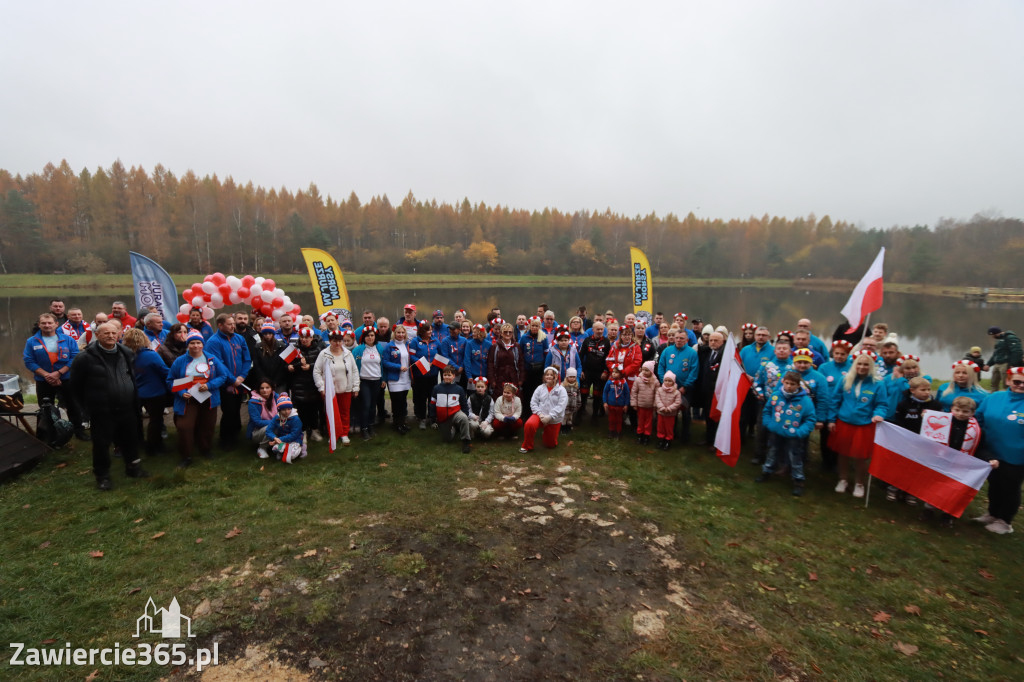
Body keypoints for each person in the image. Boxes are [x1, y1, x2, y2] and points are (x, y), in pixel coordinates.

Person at [69, 322, 149, 490]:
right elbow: (75, 387)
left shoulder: (126, 352)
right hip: (102, 411)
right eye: (106, 333)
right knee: (101, 445)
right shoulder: (84, 358)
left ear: (119, 334)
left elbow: (131, 376)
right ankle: (102, 476)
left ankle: (133, 468)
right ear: (97, 335)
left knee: (130, 440)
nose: (111, 336)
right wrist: (85, 409)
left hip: (127, 407)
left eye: (114, 333)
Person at [826, 350, 888, 498]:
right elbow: (835, 400)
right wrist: (831, 419)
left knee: (861, 457)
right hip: (844, 422)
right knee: (843, 454)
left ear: (871, 366)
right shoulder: (845, 379)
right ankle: (843, 479)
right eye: (859, 363)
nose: (862, 367)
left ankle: (859, 483)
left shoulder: (878, 383)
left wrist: (878, 414)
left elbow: (882, 404)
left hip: (864, 425)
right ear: (854, 365)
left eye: (866, 364)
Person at [973, 366, 1024, 534]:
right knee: (994, 484)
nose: (1021, 385)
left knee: (1010, 487)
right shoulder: (994, 397)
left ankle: (1005, 521)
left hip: (1016, 456)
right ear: (1008, 380)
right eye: (1017, 381)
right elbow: (977, 418)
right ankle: (993, 513)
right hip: (991, 452)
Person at [167, 330, 227, 467]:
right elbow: (170, 380)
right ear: (188, 345)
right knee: (184, 426)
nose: (195, 346)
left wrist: (210, 385)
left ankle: (205, 449)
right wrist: (181, 392)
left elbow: (222, 376)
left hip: (207, 397)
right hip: (187, 399)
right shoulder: (180, 361)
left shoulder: (211, 359)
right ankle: (186, 456)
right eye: (192, 343)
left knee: (207, 425)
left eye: (198, 343)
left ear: (202, 344)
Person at [24, 312, 88, 440]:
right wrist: (48, 375)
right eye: (44, 323)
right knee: (45, 408)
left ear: (56, 324)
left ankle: (79, 431)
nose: (47, 325)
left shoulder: (68, 339)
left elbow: (74, 357)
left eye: (50, 323)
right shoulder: (31, 341)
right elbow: (29, 361)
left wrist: (59, 373)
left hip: (66, 378)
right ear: (39, 325)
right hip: (43, 380)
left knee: (73, 405)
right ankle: (48, 434)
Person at [756, 371, 816, 496]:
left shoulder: (805, 400)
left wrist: (800, 432)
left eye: (792, 384)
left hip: (793, 435)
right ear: (783, 382)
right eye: (787, 383)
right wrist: (769, 424)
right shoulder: (776, 395)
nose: (789, 386)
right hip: (776, 431)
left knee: (795, 456)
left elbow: (810, 419)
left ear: (798, 385)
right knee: (772, 451)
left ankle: (798, 480)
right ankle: (767, 471)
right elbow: (767, 411)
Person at [883, 376, 940, 505]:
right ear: (912, 390)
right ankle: (893, 489)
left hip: (925, 444)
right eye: (923, 389)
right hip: (906, 442)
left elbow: (940, 425)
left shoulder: (935, 405)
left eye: (929, 389)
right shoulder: (904, 404)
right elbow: (899, 422)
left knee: (917, 469)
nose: (927, 392)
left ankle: (912, 493)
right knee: (901, 467)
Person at [205, 313, 252, 450]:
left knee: (237, 407)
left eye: (233, 323)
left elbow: (247, 359)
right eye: (230, 324)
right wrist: (232, 380)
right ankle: (225, 439)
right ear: (220, 325)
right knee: (229, 410)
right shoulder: (213, 342)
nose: (233, 326)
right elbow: (218, 364)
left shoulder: (239, 338)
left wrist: (242, 376)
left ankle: (236, 433)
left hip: (240, 381)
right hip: (226, 383)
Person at [122, 328, 170, 456]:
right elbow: (165, 371)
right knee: (156, 420)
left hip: (135, 392)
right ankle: (154, 447)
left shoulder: (125, 356)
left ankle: (138, 443)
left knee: (136, 420)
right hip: (154, 392)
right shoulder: (150, 355)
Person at [313, 330, 360, 446]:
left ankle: (344, 434)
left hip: (346, 388)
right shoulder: (323, 354)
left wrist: (356, 387)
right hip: (330, 390)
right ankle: (334, 434)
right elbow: (317, 371)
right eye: (335, 341)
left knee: (344, 412)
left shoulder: (348, 354)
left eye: (340, 341)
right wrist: (321, 387)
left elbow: (354, 371)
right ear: (330, 341)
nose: (338, 344)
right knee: (332, 413)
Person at [287, 327, 325, 444]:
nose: (304, 340)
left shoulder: (319, 348)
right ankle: (302, 431)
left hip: (313, 384)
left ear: (311, 338)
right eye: (302, 337)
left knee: (313, 409)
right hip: (299, 385)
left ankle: (314, 430)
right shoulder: (293, 349)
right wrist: (295, 366)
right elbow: (287, 365)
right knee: (301, 410)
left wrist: (310, 366)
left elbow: (323, 364)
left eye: (307, 337)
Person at [519, 366, 568, 453]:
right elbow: (533, 402)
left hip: (554, 418)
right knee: (529, 424)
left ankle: (547, 433)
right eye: (547, 375)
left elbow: (561, 406)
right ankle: (527, 445)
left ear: (555, 377)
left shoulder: (561, 390)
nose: (548, 376)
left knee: (550, 445)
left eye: (551, 375)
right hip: (540, 415)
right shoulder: (540, 388)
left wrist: (549, 417)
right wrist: (540, 414)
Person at [429, 365, 472, 453]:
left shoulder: (459, 389)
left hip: (455, 412)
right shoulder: (436, 388)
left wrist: (466, 414)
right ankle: (454, 428)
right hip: (443, 416)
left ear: (453, 376)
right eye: (445, 375)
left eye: (449, 375)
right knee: (447, 440)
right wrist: (433, 419)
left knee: (463, 418)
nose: (447, 377)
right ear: (442, 376)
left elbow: (464, 404)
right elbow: (432, 404)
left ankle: (466, 442)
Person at [352, 327, 384, 441]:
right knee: (365, 404)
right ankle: (364, 428)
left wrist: (383, 379)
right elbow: (353, 367)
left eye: (372, 335)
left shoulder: (379, 348)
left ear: (375, 337)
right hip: (364, 381)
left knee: (372, 405)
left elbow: (382, 365)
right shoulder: (358, 350)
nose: (370, 338)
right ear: (363, 337)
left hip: (376, 380)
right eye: (367, 336)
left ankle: (371, 425)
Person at [383, 324, 413, 434]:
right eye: (398, 333)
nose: (400, 335)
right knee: (397, 402)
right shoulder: (389, 346)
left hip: (406, 378)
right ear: (394, 334)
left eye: (402, 333)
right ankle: (397, 424)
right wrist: (399, 367)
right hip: (395, 379)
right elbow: (385, 362)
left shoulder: (407, 345)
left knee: (403, 402)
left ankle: (402, 422)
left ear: (405, 334)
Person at [409, 322, 440, 429]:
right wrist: (423, 363)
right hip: (420, 375)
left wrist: (434, 362)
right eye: (428, 330)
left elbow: (440, 354)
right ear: (422, 331)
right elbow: (411, 357)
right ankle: (422, 418)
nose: (431, 332)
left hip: (433, 375)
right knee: (421, 398)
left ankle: (432, 419)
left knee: (432, 398)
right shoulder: (415, 341)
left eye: (431, 330)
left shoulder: (435, 341)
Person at [697, 331, 725, 445]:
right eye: (711, 340)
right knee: (708, 416)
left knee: (716, 418)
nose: (713, 343)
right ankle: (709, 439)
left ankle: (716, 442)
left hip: (718, 393)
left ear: (722, 342)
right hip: (707, 391)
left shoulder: (724, 355)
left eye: (716, 340)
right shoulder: (708, 352)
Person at [579, 321, 611, 421]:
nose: (600, 331)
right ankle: (580, 414)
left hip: (600, 373)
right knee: (583, 393)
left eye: (601, 329)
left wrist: (606, 371)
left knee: (597, 395)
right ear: (593, 330)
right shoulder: (587, 340)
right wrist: (581, 370)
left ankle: (595, 416)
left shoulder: (606, 342)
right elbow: (581, 356)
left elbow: (609, 358)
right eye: (598, 329)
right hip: (587, 371)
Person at [519, 316, 550, 417]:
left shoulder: (543, 337)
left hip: (539, 369)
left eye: (537, 326)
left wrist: (545, 370)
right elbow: (520, 353)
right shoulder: (524, 338)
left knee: (538, 391)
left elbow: (546, 353)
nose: (535, 328)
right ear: (529, 326)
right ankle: (526, 412)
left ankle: (537, 412)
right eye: (533, 325)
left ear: (540, 327)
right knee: (527, 391)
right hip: (527, 369)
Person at [487, 323, 526, 400]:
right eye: (505, 332)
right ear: (501, 333)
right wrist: (492, 380)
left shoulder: (516, 346)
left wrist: (521, 379)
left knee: (514, 399)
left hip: (513, 377)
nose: (507, 334)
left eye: (510, 332)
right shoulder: (495, 346)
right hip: (499, 378)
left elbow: (521, 363)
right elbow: (490, 364)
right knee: (499, 399)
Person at [266, 394, 304, 463]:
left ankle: (301, 448)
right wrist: (274, 438)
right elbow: (268, 430)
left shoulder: (295, 419)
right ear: (279, 410)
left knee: (291, 455)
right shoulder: (277, 417)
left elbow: (294, 435)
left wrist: (279, 439)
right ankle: (282, 451)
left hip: (295, 440)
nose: (287, 412)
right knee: (275, 449)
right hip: (281, 440)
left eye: (289, 409)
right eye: (283, 409)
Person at [983, 327, 1023, 392]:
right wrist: (988, 364)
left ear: (996, 333)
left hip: (1005, 364)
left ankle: (1008, 397)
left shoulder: (1010, 338)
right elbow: (995, 354)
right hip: (997, 364)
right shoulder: (999, 340)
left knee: (1006, 384)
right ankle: (993, 397)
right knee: (993, 383)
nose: (992, 337)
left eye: (992, 335)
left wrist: (1014, 364)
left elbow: (1017, 351)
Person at [247, 379, 279, 459]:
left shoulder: (276, 397)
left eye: (267, 387)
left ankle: (280, 446)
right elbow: (257, 422)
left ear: (272, 388)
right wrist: (276, 422)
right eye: (262, 388)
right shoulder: (253, 402)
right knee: (272, 428)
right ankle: (262, 447)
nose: (265, 390)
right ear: (258, 389)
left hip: (277, 424)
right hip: (258, 430)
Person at [252, 321, 289, 390]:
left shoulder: (281, 346)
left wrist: (276, 381)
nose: (268, 336)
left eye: (270, 333)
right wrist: (264, 381)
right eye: (265, 334)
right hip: (263, 382)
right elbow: (257, 365)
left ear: (273, 334)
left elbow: (283, 365)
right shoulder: (257, 347)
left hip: (279, 382)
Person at [630, 360, 660, 445]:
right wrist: (634, 403)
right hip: (640, 405)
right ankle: (640, 435)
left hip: (650, 406)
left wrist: (655, 405)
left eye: (647, 370)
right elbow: (634, 392)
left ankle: (646, 436)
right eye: (643, 370)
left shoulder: (655, 381)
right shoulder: (638, 380)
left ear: (651, 371)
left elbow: (657, 394)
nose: (645, 372)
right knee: (640, 421)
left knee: (648, 422)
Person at [654, 371, 683, 450]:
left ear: (673, 382)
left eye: (670, 381)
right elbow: (657, 399)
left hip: (670, 414)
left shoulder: (676, 392)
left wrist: (669, 409)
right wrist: (662, 408)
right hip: (661, 412)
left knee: (669, 428)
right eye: (666, 380)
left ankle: (668, 441)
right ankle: (661, 439)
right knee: (660, 427)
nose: (667, 382)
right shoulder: (660, 390)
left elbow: (677, 402)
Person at [438, 321, 467, 388]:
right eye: (450, 329)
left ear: (459, 330)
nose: (451, 331)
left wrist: (461, 367)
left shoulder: (464, 340)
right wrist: (456, 367)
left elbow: (465, 356)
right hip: (449, 370)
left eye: (453, 329)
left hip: (462, 371)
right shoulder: (445, 341)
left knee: (462, 389)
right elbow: (445, 356)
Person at [603, 367, 630, 439]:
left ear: (621, 374)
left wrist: (626, 404)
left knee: (619, 419)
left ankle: (618, 432)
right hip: (611, 404)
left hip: (620, 405)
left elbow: (627, 394)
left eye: (616, 372)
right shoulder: (609, 382)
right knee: (611, 419)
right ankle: (611, 431)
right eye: (613, 372)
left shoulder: (624, 383)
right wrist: (605, 402)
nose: (614, 374)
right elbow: (605, 392)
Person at [561, 368, 581, 433]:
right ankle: (563, 428)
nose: (572, 378)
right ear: (567, 377)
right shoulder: (563, 386)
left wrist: (578, 404)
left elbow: (578, 396)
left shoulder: (576, 386)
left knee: (570, 417)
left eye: (573, 377)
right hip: (565, 406)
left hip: (572, 406)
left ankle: (568, 427)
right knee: (564, 417)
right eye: (570, 377)